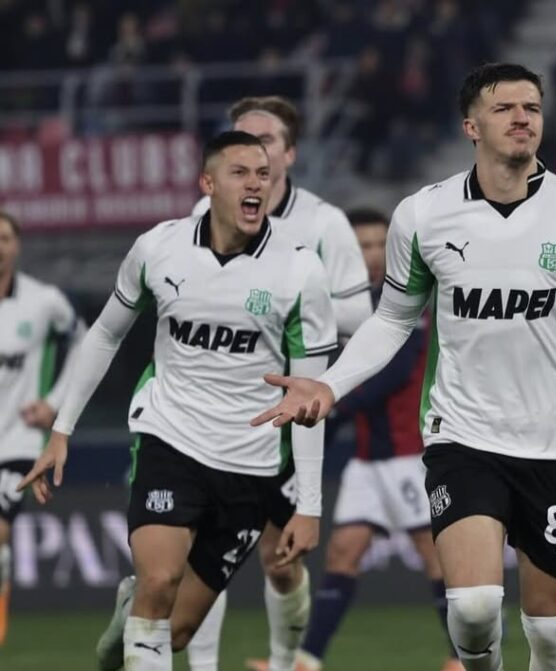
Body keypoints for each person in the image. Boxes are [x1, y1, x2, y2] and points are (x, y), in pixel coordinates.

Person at [250, 62, 556, 671]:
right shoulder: (423, 215)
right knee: (471, 609)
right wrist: (330, 385)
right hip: (463, 437)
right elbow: (391, 321)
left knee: (551, 632)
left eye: (532, 108)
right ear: (471, 126)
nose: (522, 118)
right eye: (505, 108)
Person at [17, 131, 337, 671]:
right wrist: (62, 429)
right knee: (161, 580)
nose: (255, 184)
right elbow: (105, 334)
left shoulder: (300, 270)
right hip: (171, 440)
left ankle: (131, 612)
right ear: (208, 183)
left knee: (178, 630)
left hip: (250, 464)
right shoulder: (159, 248)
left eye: (263, 173)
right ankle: (144, 598)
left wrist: (309, 506)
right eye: (240, 172)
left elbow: (309, 401)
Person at [188, 96, 372, 671]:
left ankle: (285, 659)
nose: (252, 151)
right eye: (240, 140)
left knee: (280, 558)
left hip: (290, 411)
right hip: (214, 405)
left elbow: (361, 316)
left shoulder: (324, 223)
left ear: (289, 154)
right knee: (201, 547)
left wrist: (292, 301)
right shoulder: (203, 214)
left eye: (264, 141)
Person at [293, 207, 462, 671]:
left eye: (376, 245)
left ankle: (463, 657)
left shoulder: (410, 299)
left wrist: (329, 406)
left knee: (436, 556)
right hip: (368, 458)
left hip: (411, 454)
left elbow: (392, 373)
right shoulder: (345, 307)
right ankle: (306, 660)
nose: (369, 255)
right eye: (360, 246)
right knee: (343, 551)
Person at [0, 210, 86, 645]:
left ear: (17, 245)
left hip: (18, 441)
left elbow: (86, 342)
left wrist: (53, 404)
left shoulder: (43, 301)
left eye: (4, 238)